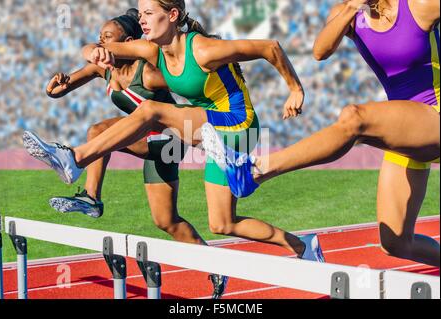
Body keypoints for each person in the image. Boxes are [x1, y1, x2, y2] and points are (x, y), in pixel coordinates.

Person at [22, 0, 325, 263]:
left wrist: (295, 89)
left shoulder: (203, 49)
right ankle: (304, 246)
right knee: (223, 224)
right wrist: (93, 52)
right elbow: (99, 48)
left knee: (153, 111)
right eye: (139, 13)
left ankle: (74, 159)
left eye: (148, 12)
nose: (141, 19)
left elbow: (269, 47)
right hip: (210, 128)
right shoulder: (152, 50)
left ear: (172, 15)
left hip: (239, 125)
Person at [207, 0, 440, 267]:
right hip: (406, 128)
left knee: (355, 118)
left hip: (435, 115)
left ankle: (256, 170)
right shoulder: (347, 14)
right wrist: (353, 8)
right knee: (396, 242)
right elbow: (320, 51)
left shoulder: (419, 5)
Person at [38, 8, 228, 298]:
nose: (101, 44)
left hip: (169, 141)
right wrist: (54, 89)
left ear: (127, 41)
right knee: (167, 221)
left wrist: (207, 124)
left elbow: (190, 82)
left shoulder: (149, 74)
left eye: (108, 38)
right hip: (146, 140)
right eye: (99, 37)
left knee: (97, 132)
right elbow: (67, 85)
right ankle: (217, 267)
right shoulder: (104, 68)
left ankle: (90, 196)